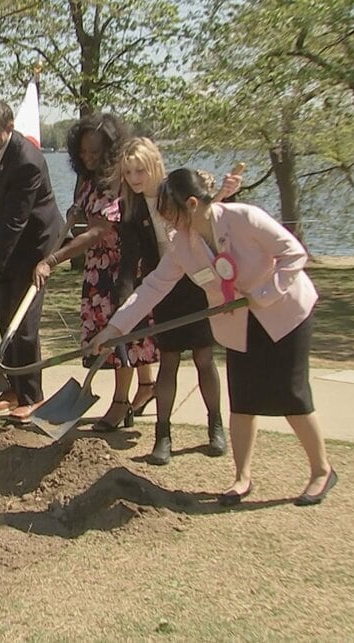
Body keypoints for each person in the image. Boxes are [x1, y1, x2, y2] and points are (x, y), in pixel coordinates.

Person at [91, 168, 338, 506]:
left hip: (284, 314)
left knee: (291, 395)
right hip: (239, 323)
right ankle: (242, 477)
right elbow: (153, 287)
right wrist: (114, 329)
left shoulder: (244, 218)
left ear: (192, 204)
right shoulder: (183, 244)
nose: (168, 224)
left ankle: (321, 470)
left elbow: (294, 254)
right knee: (243, 399)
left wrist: (263, 293)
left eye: (172, 215)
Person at [32, 113, 157, 432]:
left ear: (111, 151)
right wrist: (76, 210)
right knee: (125, 333)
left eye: (95, 152)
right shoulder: (90, 179)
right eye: (83, 152)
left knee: (123, 335)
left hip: (121, 270)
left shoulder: (118, 180)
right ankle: (146, 385)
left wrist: (52, 259)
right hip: (98, 270)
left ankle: (120, 402)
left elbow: (98, 231)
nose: (88, 158)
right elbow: (85, 213)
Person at [115, 139, 226, 464]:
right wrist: (124, 302)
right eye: (129, 172)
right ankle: (163, 435)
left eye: (140, 170)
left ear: (154, 166)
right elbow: (129, 258)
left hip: (197, 283)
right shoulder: (131, 207)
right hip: (164, 286)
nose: (135, 178)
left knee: (205, 358)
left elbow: (210, 216)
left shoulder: (176, 189)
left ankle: (215, 426)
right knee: (169, 360)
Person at [0, 99, 64, 422]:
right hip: (7, 242)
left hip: (34, 246)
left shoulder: (27, 161)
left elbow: (16, 224)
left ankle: (33, 396)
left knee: (23, 325)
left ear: (9, 129)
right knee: (4, 317)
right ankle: (12, 388)